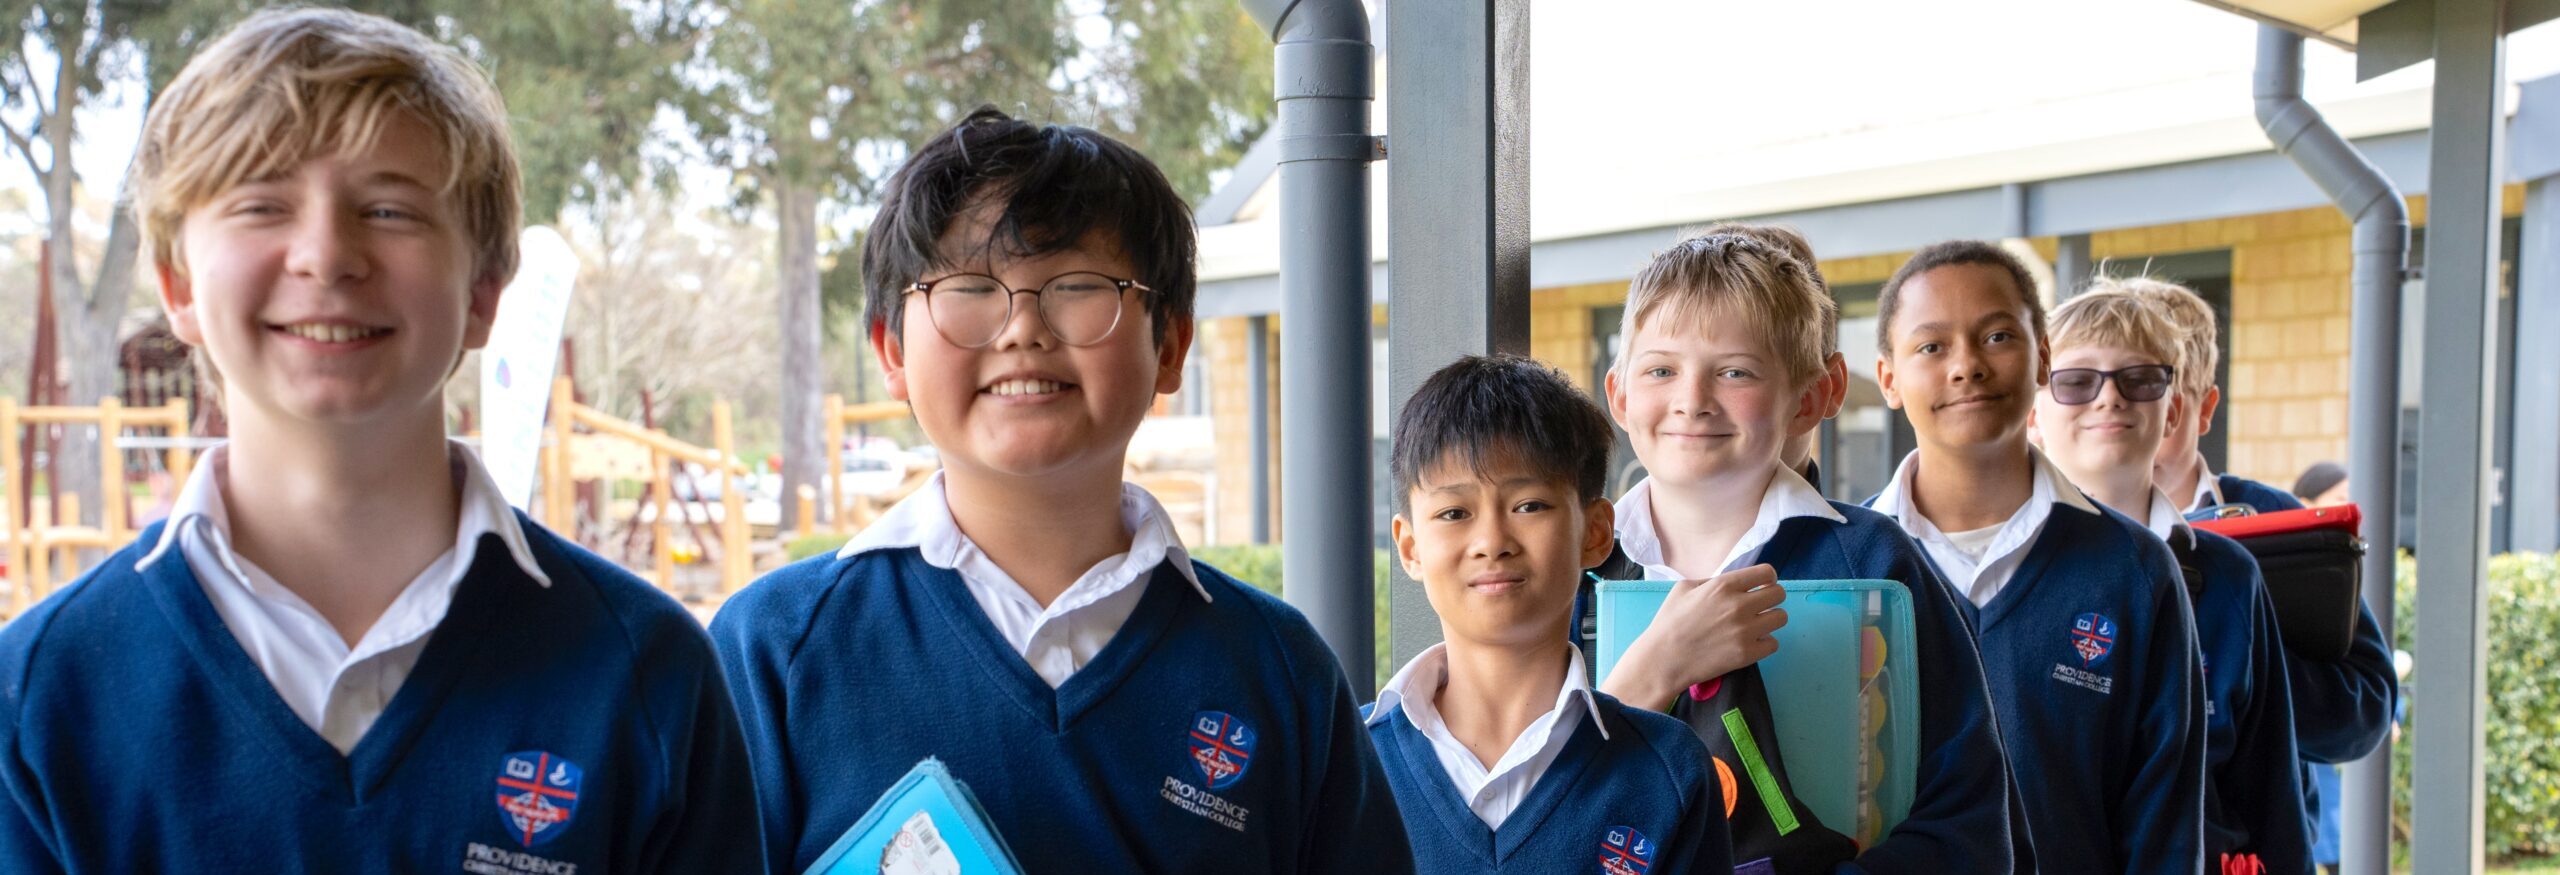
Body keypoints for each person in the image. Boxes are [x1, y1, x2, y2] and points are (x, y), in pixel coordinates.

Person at [0, 9, 762, 871]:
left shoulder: (646, 674)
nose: (327, 255)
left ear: (484, 292)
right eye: (262, 205)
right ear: (178, 286)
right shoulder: (39, 699)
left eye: (390, 209)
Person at [708, 106, 1412, 874]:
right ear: (892, 351)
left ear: (1170, 344)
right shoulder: (776, 649)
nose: (1022, 328)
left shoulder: (1279, 669)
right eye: (970, 286)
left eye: (1076, 285)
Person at [1587, 231, 2015, 873]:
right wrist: (1652, 674)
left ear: (1809, 399)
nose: (1692, 400)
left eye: (1734, 371)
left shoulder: (1875, 564)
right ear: (1620, 395)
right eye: (1661, 370)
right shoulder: (1575, 570)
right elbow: (1525, 800)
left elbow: (1969, 821)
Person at [1864, 240, 2205, 872]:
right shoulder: (1846, 569)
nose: (1967, 366)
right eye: (1931, 347)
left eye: (1997, 336)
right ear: (1889, 378)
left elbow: (2165, 832)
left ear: (2043, 356)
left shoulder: (2135, 570)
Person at [1373, 354, 1732, 874]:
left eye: (1530, 506)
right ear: (1410, 548)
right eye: (1454, 513)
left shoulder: (1669, 772)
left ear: (1596, 532)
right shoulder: (1344, 764)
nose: (1492, 541)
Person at [2032, 286, 2312, 873]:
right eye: (2076, 381)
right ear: (2034, 415)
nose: (2109, 396)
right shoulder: (1999, 570)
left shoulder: (2231, 576)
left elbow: (2272, 791)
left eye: (2139, 379)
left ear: (2176, 412)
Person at [2134, 279, 2396, 870]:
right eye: (2087, 387)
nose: (2124, 411)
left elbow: (2365, 708)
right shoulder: (2055, 529)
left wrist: (2243, 658)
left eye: (2149, 388)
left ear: (2201, 408)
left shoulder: (2274, 522)